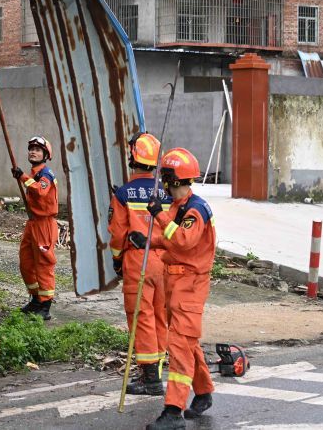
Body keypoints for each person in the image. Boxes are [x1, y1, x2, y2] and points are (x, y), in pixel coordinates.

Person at [129, 148, 216, 430]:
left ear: (172, 180)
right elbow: (168, 240)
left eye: (164, 178)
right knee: (187, 341)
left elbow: (182, 241)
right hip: (175, 282)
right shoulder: (179, 207)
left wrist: (160, 217)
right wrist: (148, 241)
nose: (162, 184)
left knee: (178, 345)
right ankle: (202, 393)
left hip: (190, 285)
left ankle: (173, 411)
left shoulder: (196, 210)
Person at [108, 132, 168, 396]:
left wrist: (117, 261)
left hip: (138, 260)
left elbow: (118, 234)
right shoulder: (167, 190)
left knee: (141, 317)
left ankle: (149, 377)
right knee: (159, 316)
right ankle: (159, 365)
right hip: (165, 260)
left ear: (132, 156)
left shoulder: (124, 193)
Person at [11, 135, 59, 320]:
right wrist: (24, 177)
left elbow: (41, 190)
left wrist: (22, 177)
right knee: (26, 263)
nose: (33, 151)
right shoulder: (34, 172)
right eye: (31, 148)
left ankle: (45, 305)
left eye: (38, 149)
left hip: (44, 224)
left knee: (43, 265)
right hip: (32, 223)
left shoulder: (45, 174)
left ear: (46, 154)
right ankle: (36, 299)